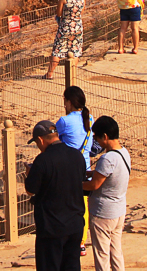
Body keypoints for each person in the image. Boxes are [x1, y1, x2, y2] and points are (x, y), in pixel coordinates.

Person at [25, 119, 88, 271]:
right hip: (75, 225)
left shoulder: (42, 160)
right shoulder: (77, 155)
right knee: (72, 266)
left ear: (40, 139)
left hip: (51, 228)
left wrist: (29, 173)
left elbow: (31, 189)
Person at [82, 116, 130, 271]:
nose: (96, 141)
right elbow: (107, 175)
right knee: (116, 251)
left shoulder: (107, 159)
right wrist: (91, 173)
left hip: (103, 213)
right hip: (118, 211)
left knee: (102, 255)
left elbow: (94, 185)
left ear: (105, 136)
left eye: (96, 137)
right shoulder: (124, 153)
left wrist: (76, 184)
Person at [57, 86, 93, 257]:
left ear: (69, 102)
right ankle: (81, 242)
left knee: (65, 204)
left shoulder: (64, 121)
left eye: (65, 100)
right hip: (85, 167)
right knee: (82, 206)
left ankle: (66, 238)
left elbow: (55, 140)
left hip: (68, 168)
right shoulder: (90, 119)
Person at [46, 0, 85, 79]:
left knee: (58, 50)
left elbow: (58, 13)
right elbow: (82, 11)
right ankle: (72, 74)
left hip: (65, 27)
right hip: (77, 27)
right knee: (75, 50)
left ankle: (49, 74)